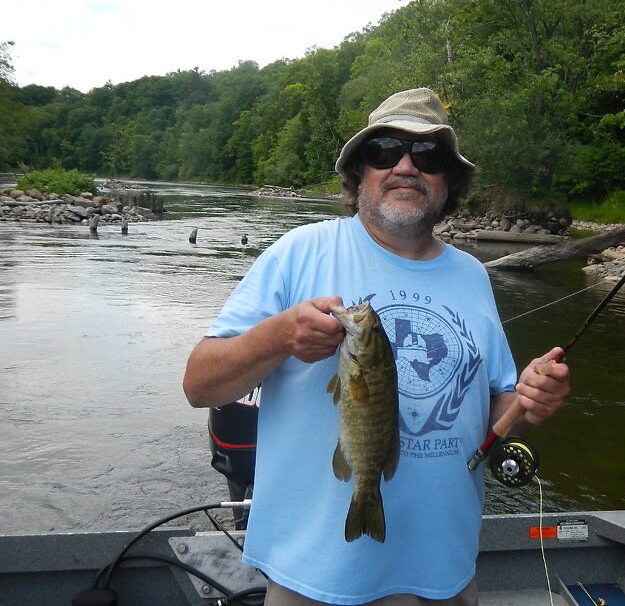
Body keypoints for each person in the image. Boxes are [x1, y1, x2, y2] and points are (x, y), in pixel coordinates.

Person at [183, 87, 570, 606]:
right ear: (360, 171)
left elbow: (492, 413)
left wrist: (527, 400)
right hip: (314, 576)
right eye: (385, 151)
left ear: (448, 180)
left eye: (428, 155)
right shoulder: (302, 251)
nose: (406, 166)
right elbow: (199, 384)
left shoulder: (472, 275)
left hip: (445, 572)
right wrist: (278, 336)